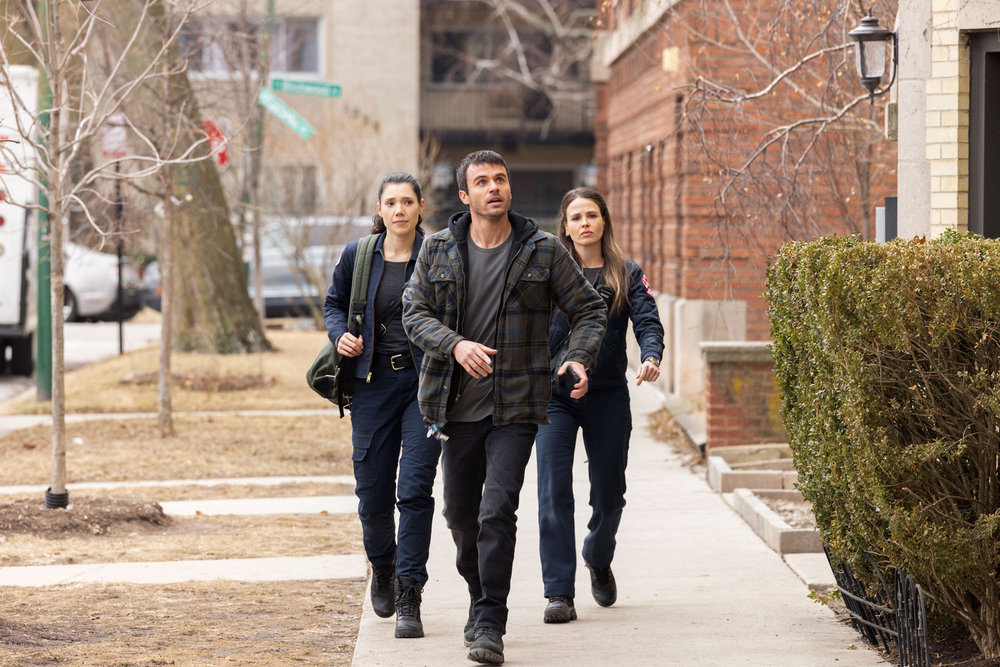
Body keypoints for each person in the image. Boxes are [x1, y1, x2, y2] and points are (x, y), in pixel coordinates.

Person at [402, 150, 607, 664]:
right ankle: (478, 598)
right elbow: (414, 312)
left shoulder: (541, 250)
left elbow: (589, 308)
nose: (494, 187)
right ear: (465, 196)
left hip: (516, 405)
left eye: (501, 179)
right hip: (452, 407)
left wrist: (578, 359)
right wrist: (456, 345)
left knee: (497, 511)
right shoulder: (438, 249)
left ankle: (491, 620)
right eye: (483, 181)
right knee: (460, 517)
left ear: (509, 189)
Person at [535, 187, 664, 624]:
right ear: (565, 226)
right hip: (555, 398)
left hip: (607, 393)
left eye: (592, 214)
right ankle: (558, 593)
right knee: (553, 491)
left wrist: (651, 355)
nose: (585, 222)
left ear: (603, 221)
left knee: (609, 496)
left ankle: (598, 553)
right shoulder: (547, 272)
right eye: (576, 217)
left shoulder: (625, 273)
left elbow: (648, 320)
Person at [323, 172, 441, 640]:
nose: (398, 210)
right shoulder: (360, 255)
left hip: (423, 386)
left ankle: (411, 593)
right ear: (380, 209)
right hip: (371, 385)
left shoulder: (438, 254)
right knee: (372, 494)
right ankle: (384, 568)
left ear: (420, 207)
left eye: (407, 202)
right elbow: (333, 304)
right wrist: (342, 335)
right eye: (390, 202)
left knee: (414, 490)